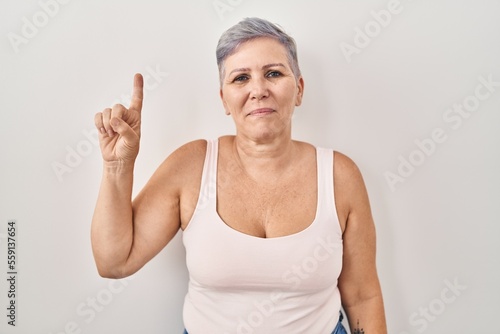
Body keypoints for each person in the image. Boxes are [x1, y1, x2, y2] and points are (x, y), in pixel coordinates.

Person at [91, 17, 387, 334]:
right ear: (224, 100)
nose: (258, 90)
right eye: (241, 78)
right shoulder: (192, 167)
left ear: (298, 89)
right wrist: (117, 166)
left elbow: (362, 298)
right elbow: (115, 262)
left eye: (273, 73)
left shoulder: (340, 176)